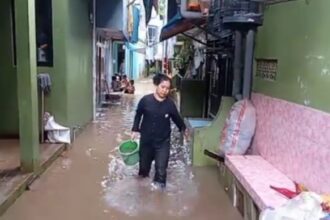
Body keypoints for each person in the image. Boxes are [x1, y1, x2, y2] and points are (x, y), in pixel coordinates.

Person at [131, 74, 188, 189]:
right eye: (163, 87)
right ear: (157, 85)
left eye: (167, 88)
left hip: (162, 143)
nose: (165, 91)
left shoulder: (170, 104)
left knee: (161, 172)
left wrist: (184, 130)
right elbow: (138, 115)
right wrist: (135, 129)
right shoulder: (145, 101)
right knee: (143, 172)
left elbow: (177, 118)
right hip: (146, 142)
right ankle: (143, 195)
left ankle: (159, 198)